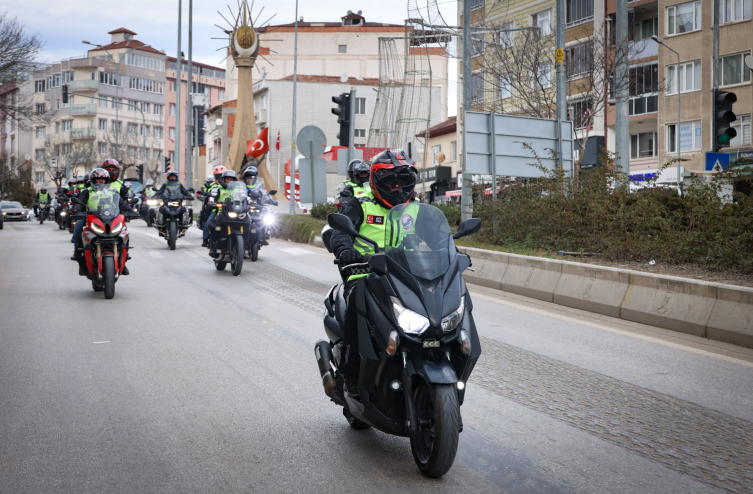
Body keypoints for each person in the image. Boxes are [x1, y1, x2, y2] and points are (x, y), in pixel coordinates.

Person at [329, 150, 418, 397]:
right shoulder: (361, 203)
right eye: (391, 181)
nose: (397, 186)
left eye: (402, 181)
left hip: (406, 276)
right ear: (377, 181)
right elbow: (340, 233)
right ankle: (351, 376)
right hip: (365, 274)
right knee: (360, 303)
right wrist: (346, 250)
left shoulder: (417, 208)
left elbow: (433, 237)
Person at [72, 168, 134, 276]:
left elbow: (122, 203)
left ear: (106, 180)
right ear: (93, 180)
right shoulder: (87, 191)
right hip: (91, 218)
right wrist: (77, 210)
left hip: (110, 217)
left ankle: (124, 258)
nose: (100, 181)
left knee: (124, 230)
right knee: (78, 225)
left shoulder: (113, 192)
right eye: (98, 179)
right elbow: (80, 202)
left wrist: (130, 210)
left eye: (103, 179)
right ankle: (80, 258)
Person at [203, 169, 237, 247]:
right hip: (220, 211)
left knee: (249, 223)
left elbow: (245, 197)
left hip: (235, 212)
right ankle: (208, 241)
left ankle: (246, 246)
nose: (229, 181)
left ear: (234, 180)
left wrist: (250, 202)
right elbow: (212, 196)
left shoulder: (237, 189)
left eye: (231, 179)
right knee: (209, 223)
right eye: (227, 179)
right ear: (223, 179)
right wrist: (211, 202)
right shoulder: (217, 188)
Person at [201, 166, 227, 246]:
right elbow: (211, 195)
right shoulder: (214, 186)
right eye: (217, 176)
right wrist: (211, 200)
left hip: (232, 210)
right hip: (217, 209)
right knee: (209, 222)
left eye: (221, 176)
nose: (219, 178)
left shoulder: (233, 187)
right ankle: (206, 239)